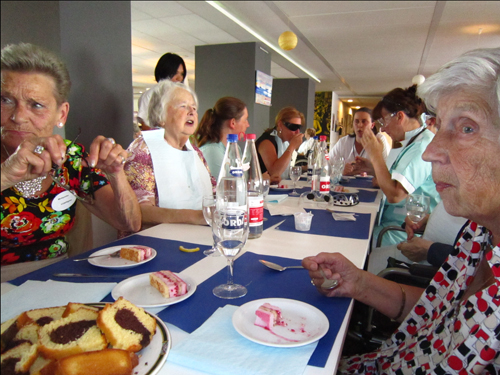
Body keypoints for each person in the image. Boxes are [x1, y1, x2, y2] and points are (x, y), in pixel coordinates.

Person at [303, 47, 500, 374]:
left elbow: (394, 193)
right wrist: (358, 282)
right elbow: (434, 312)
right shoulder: (478, 234)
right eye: (439, 126)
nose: (432, 152)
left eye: (467, 127)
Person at [0, 43, 141, 281]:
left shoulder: (70, 160)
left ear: (61, 114)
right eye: (5, 100)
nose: (18, 116)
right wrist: (5, 175)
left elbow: (129, 223)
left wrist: (117, 175)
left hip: (56, 277)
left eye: (36, 105)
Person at [122, 80, 215, 235]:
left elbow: (213, 192)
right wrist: (198, 216)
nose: (191, 111)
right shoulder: (142, 150)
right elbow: (139, 213)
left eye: (194, 107)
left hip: (198, 237)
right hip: (154, 245)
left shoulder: (195, 151)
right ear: (161, 116)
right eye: (183, 106)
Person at [354, 86, 440, 246]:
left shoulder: (422, 146)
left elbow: (395, 194)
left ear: (399, 117)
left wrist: (375, 154)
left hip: (404, 231)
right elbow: (395, 179)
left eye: (384, 120)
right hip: (393, 221)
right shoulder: (413, 141)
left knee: (353, 237)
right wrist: (372, 168)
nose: (384, 128)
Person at [366, 200, 468, 275]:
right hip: (414, 256)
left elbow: (472, 260)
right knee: (366, 259)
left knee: (361, 268)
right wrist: (428, 220)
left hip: (425, 273)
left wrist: (430, 251)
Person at [193, 97, 249, 181]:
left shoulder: (235, 149)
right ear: (233, 123)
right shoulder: (212, 151)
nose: (247, 125)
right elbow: (222, 189)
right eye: (245, 120)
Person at [329, 107, 390, 175]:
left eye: (364, 121)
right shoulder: (343, 142)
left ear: (372, 125)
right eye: (356, 121)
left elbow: (388, 170)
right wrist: (341, 170)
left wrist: (370, 169)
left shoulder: (379, 140)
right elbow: (328, 165)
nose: (359, 125)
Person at [137, 53, 187, 131]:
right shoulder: (150, 95)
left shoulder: (183, 96)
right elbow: (146, 127)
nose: (179, 78)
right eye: (175, 73)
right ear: (164, 71)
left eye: (182, 74)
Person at [256, 106, 304, 180]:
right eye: (293, 127)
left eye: (299, 127)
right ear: (280, 125)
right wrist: (292, 146)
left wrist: (303, 168)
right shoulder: (267, 142)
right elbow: (275, 172)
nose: (297, 132)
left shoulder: (284, 142)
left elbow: (285, 169)